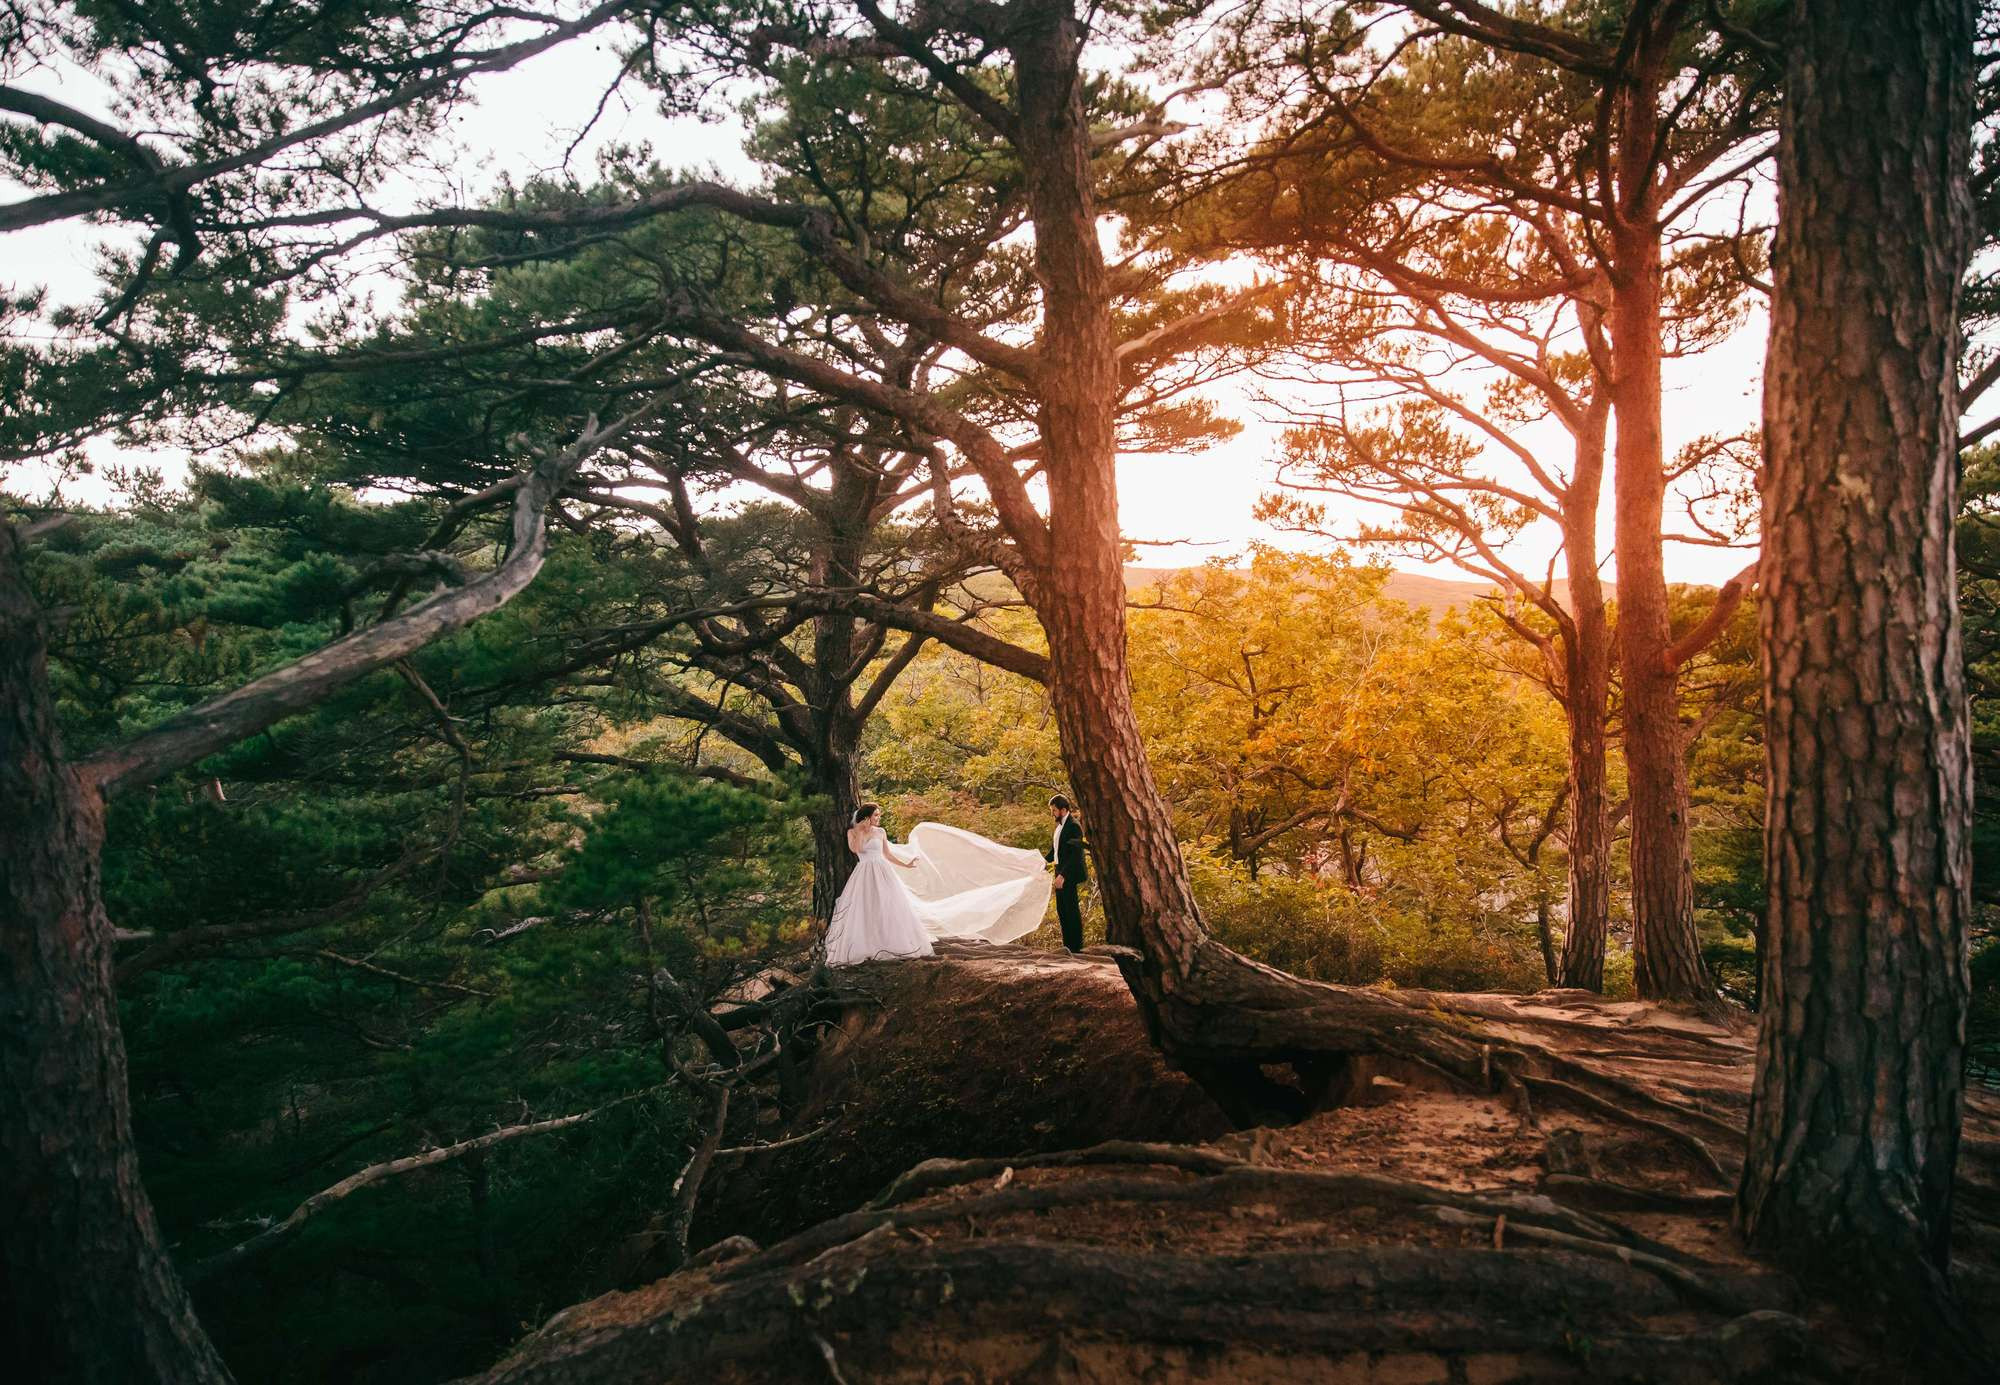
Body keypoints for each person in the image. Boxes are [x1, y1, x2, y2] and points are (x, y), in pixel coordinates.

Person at [823, 805, 1054, 966]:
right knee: (863, 910)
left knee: (891, 907)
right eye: (875, 816)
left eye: (878, 816)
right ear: (866, 817)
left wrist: (906, 863)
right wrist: (862, 830)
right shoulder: (853, 832)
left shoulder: (881, 832)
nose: (878, 819)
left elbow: (887, 854)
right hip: (864, 872)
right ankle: (865, 947)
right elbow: (856, 851)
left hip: (883, 871)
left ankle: (893, 945)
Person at [1043, 794, 1088, 953]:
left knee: (1071, 909)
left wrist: (1063, 875)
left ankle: (1076, 949)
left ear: (1063, 810)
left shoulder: (1074, 826)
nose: (1052, 813)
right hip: (1059, 869)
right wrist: (1042, 862)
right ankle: (1067, 947)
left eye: (1054, 810)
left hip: (1069, 872)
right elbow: (1055, 850)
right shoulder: (1060, 827)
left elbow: (1076, 854)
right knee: (1062, 910)